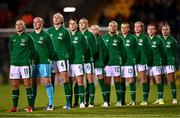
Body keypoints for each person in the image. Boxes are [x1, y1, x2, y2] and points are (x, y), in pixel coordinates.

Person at [7, 19, 34, 112]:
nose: (18, 25)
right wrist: (14, 58)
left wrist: (29, 59)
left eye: (20, 24)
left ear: (24, 26)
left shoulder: (28, 37)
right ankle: (15, 107)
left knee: (27, 84)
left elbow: (33, 50)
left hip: (25, 64)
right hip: (14, 64)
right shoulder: (12, 37)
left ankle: (30, 106)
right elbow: (10, 50)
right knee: (14, 85)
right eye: (16, 24)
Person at [47, 12, 72, 109]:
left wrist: (66, 57)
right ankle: (50, 103)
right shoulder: (49, 31)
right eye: (54, 17)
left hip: (62, 59)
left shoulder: (65, 32)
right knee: (51, 81)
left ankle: (68, 103)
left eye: (57, 17)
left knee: (64, 80)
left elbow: (70, 47)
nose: (55, 18)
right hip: (52, 59)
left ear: (61, 20)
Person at [30, 17, 55, 110]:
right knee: (32, 83)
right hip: (33, 62)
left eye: (37, 22)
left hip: (44, 61)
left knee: (47, 82)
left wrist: (48, 59)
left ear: (41, 23)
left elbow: (52, 50)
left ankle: (51, 104)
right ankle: (31, 105)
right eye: (34, 22)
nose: (35, 24)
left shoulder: (46, 35)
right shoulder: (30, 36)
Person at [102, 21, 126, 107]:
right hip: (107, 64)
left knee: (117, 82)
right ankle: (106, 102)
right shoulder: (103, 38)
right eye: (110, 25)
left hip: (116, 63)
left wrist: (121, 62)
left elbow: (123, 52)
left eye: (114, 26)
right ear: (108, 27)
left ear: (116, 28)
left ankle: (119, 101)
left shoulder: (119, 39)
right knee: (107, 82)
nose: (112, 27)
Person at [68, 18, 88, 108]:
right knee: (69, 83)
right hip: (68, 62)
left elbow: (85, 49)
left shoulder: (80, 36)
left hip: (78, 61)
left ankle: (82, 102)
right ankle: (69, 103)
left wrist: (81, 58)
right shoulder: (66, 35)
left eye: (73, 24)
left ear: (77, 25)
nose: (72, 25)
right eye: (70, 24)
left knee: (79, 82)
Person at [79, 18, 97, 107]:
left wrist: (90, 56)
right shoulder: (77, 35)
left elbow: (94, 48)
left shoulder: (90, 35)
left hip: (88, 61)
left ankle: (91, 102)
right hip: (78, 61)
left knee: (90, 81)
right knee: (80, 82)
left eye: (83, 23)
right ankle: (82, 102)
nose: (81, 25)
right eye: (80, 23)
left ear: (87, 24)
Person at [120, 22, 139, 106]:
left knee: (131, 81)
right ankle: (122, 100)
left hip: (130, 62)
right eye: (122, 27)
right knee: (121, 81)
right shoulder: (119, 38)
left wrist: (134, 60)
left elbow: (137, 51)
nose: (124, 29)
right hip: (120, 63)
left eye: (126, 27)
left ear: (128, 29)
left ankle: (133, 100)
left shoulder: (133, 38)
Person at [90, 25, 109, 107]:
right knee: (90, 82)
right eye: (92, 29)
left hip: (98, 64)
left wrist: (102, 62)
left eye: (96, 29)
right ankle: (91, 102)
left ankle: (105, 101)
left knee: (101, 83)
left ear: (98, 31)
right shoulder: (88, 40)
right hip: (89, 64)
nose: (94, 30)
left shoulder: (101, 40)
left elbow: (106, 53)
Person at [146, 23, 165, 105]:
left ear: (155, 30)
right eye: (149, 29)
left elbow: (163, 52)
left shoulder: (159, 40)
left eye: (152, 29)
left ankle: (160, 98)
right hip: (146, 64)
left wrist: (160, 61)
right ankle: (145, 99)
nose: (150, 30)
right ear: (147, 30)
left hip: (156, 63)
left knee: (158, 80)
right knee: (146, 82)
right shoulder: (144, 39)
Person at [133, 21, 151, 105]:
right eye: (135, 26)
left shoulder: (145, 38)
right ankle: (133, 100)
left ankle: (145, 100)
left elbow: (149, 50)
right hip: (132, 62)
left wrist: (147, 60)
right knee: (132, 81)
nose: (136, 28)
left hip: (142, 61)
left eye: (138, 26)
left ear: (142, 28)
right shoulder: (131, 37)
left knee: (144, 80)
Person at [160, 24, 177, 104]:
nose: (164, 31)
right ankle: (160, 98)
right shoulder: (159, 39)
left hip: (170, 62)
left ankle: (174, 98)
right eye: (163, 29)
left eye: (166, 29)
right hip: (161, 63)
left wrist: (173, 61)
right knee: (161, 81)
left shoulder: (173, 40)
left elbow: (175, 52)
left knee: (172, 80)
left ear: (169, 31)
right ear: (161, 30)